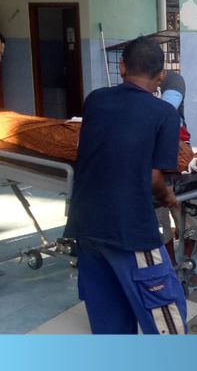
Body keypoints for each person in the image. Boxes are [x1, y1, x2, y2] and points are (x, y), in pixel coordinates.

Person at [63, 36, 186, 334]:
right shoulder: (164, 114)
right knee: (166, 323)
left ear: (122, 67)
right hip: (129, 229)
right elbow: (154, 178)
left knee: (108, 321)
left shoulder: (95, 99)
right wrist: (168, 195)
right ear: (161, 76)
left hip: (86, 225)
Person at [156, 71, 197, 287]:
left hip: (180, 164)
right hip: (154, 166)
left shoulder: (172, 81)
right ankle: (170, 267)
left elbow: (167, 109)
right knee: (159, 222)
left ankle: (185, 262)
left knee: (192, 215)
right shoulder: (136, 90)